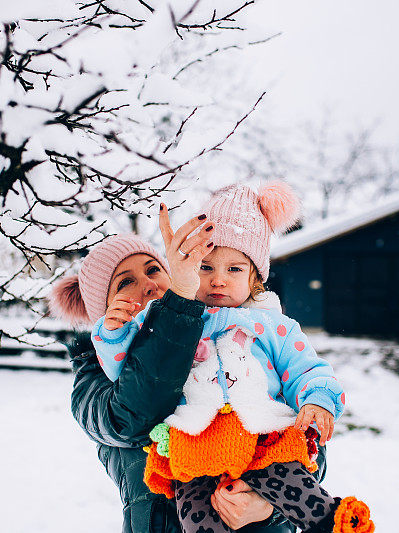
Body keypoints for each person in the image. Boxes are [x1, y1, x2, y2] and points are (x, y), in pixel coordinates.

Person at [91, 183, 375, 533]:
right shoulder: (174, 322)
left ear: (255, 276)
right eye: (206, 267)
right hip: (195, 443)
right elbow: (126, 368)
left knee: (295, 486)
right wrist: (113, 334)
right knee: (197, 516)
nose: (218, 281)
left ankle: (333, 522)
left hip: (262, 435)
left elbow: (307, 370)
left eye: (235, 270)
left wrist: (317, 400)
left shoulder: (275, 326)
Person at [49, 226, 326, 533]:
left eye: (154, 269)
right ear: (104, 311)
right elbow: (136, 412)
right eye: (125, 282)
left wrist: (270, 505)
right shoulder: (94, 381)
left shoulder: (234, 333)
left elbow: (307, 440)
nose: (149, 284)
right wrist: (174, 311)